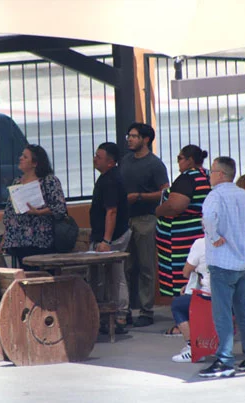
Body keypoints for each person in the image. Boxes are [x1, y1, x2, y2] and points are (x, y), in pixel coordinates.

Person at [199, 156, 245, 378]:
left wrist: (214, 236)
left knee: (222, 313)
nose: (209, 175)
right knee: (244, 311)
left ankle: (225, 360)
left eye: (211, 171)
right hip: (241, 263)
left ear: (220, 174)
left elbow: (208, 217)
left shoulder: (215, 195)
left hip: (222, 263)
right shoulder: (243, 195)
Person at [120, 122, 170, 327]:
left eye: (134, 136)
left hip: (146, 219)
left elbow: (165, 192)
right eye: (128, 136)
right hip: (126, 220)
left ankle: (146, 311)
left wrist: (140, 196)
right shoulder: (125, 161)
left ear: (145, 139)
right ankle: (126, 310)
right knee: (126, 266)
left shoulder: (155, 164)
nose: (130, 139)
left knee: (146, 266)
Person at [155, 144, 210, 298]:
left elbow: (175, 206)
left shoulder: (188, 178)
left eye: (180, 158)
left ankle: (184, 316)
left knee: (185, 278)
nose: (178, 162)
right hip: (200, 232)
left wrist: (158, 211)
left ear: (190, 160)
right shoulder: (207, 175)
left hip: (182, 240)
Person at [90, 142, 132, 335]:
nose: (95, 159)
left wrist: (106, 241)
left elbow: (112, 212)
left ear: (110, 162)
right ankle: (107, 315)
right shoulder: (106, 178)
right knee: (106, 277)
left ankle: (121, 314)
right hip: (105, 236)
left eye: (99, 156)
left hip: (114, 237)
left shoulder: (110, 181)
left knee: (116, 275)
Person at [2, 144, 67, 269]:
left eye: (25, 157)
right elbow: (10, 211)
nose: (20, 158)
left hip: (39, 239)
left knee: (41, 275)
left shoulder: (49, 181)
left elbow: (60, 207)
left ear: (35, 163)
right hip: (18, 239)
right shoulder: (17, 182)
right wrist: (6, 235)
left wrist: (39, 212)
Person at [170, 236, 210, 363]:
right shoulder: (231, 240)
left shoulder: (200, 243)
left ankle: (192, 348)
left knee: (177, 305)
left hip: (207, 296)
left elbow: (186, 272)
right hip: (229, 295)